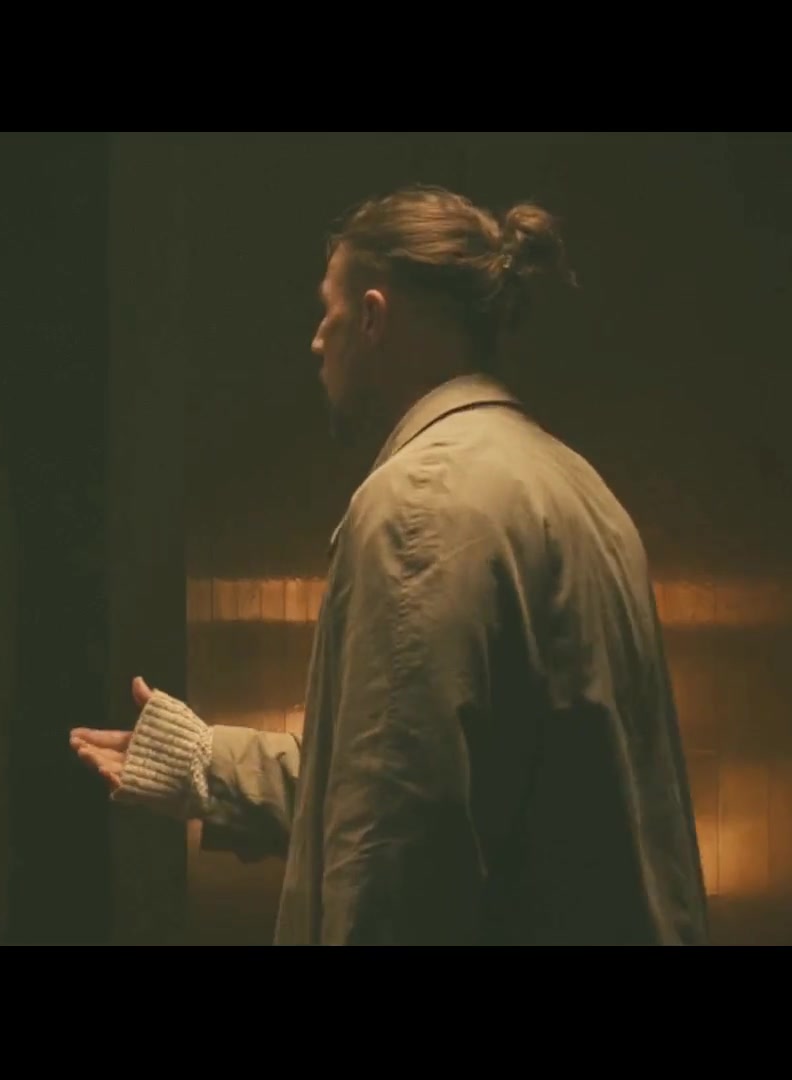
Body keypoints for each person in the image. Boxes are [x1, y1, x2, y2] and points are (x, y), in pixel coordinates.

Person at [72, 185, 710, 945]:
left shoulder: (419, 505)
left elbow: (396, 844)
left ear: (373, 317)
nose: (317, 340)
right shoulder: (575, 486)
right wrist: (206, 763)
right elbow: (438, 775)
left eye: (329, 310)